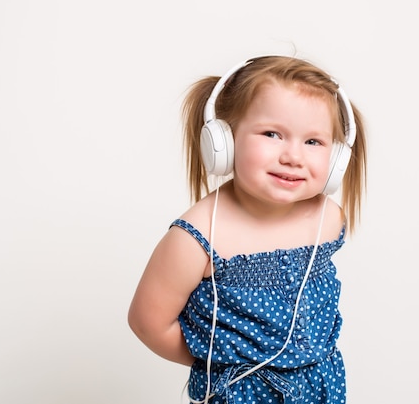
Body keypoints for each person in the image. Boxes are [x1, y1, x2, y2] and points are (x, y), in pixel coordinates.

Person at [128, 55, 367, 404]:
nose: (293, 156)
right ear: (224, 140)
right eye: (272, 134)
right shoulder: (196, 238)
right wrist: (222, 365)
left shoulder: (326, 219)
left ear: (336, 159)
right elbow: (148, 322)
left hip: (321, 392)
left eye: (313, 142)